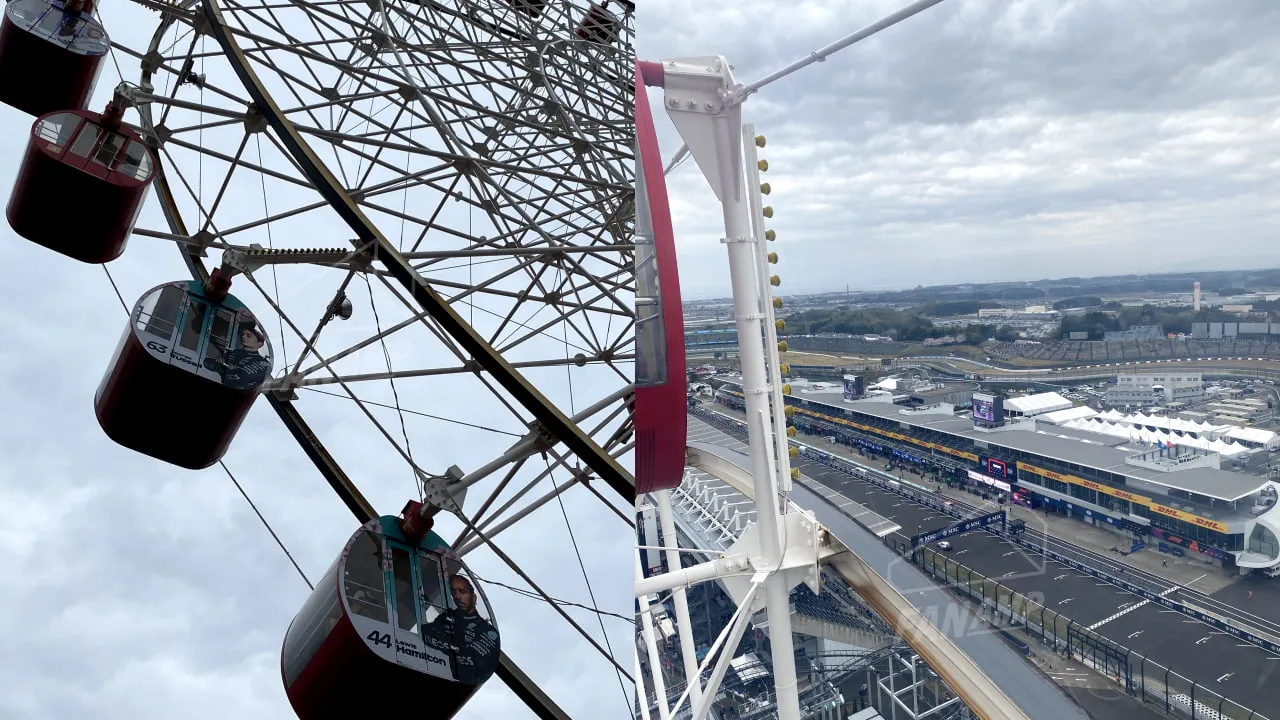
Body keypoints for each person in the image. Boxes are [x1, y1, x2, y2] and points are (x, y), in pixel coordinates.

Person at [423, 573, 500, 684]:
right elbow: (425, 633)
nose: (457, 596)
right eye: (453, 592)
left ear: (473, 596)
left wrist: (444, 644)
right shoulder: (446, 617)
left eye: (462, 592)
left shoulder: (488, 631)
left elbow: (471, 656)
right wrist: (453, 648)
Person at [204, 324, 270, 390]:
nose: (243, 336)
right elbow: (207, 363)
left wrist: (222, 367)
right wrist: (222, 366)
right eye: (242, 334)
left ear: (259, 344)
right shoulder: (234, 353)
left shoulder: (262, 363)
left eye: (248, 336)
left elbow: (241, 378)